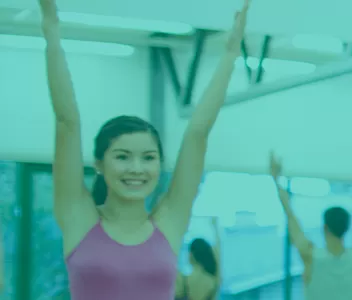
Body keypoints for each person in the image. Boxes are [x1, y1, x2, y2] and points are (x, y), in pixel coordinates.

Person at [41, 0, 250, 298]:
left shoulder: (169, 221)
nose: (137, 168)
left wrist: (230, 54)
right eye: (122, 157)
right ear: (99, 163)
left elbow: (197, 132)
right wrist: (51, 33)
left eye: (148, 158)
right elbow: (67, 122)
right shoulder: (80, 218)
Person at [270, 155, 352, 300]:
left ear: (325, 228)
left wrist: (276, 179)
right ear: (346, 228)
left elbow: (291, 217)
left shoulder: (312, 256)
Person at [176, 218, 223, 300]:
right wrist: (216, 229)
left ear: (191, 254)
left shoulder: (183, 279)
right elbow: (218, 257)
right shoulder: (212, 281)